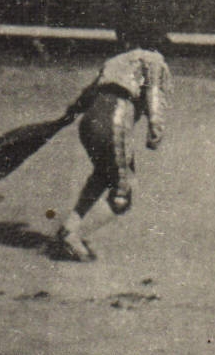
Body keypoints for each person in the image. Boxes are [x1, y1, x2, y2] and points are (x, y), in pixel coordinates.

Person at [53, 22, 172, 262]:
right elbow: (154, 94)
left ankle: (70, 226)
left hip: (89, 123)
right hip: (115, 119)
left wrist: (70, 113)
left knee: (103, 175)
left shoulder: (115, 61)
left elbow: (86, 96)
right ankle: (74, 236)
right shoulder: (154, 60)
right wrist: (155, 129)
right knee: (123, 192)